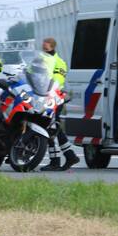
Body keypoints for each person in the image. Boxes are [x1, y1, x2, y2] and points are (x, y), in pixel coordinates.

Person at [39, 37, 79, 171]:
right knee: (53, 127)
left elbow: (57, 80)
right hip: (43, 96)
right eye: (43, 48)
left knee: (50, 127)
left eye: (46, 48)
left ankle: (56, 161)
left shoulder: (58, 62)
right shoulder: (42, 60)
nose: (44, 50)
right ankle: (69, 156)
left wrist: (49, 91)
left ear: (52, 47)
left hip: (53, 97)